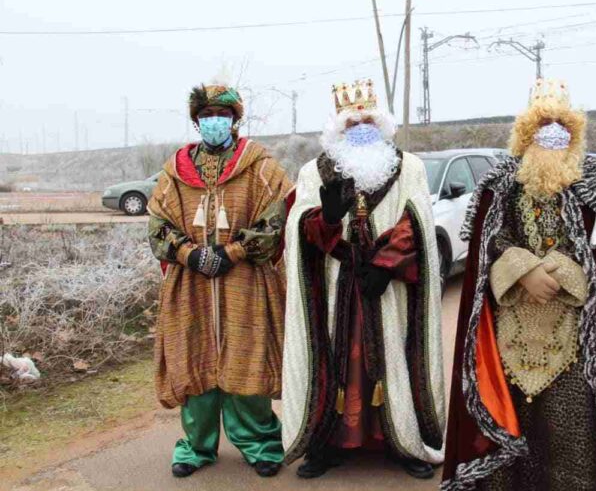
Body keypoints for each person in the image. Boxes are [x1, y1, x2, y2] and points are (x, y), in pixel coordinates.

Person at [441, 79, 596, 490]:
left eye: (561, 127)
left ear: (573, 133)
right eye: (543, 126)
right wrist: (524, 270)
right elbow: (490, 241)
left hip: (573, 332)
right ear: (527, 133)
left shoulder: (595, 182)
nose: (552, 134)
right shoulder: (501, 182)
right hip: (511, 329)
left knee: (568, 427)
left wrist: (557, 271)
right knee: (515, 421)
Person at [281, 79, 445, 479]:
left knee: (393, 354)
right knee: (333, 357)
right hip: (337, 286)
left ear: (384, 124)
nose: (361, 130)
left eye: (368, 121)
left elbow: (418, 221)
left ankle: (403, 441)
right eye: (352, 125)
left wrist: (386, 264)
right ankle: (326, 444)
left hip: (386, 287)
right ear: (337, 131)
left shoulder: (410, 168)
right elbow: (300, 229)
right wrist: (328, 219)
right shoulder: (312, 173)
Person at [147, 82, 293, 479]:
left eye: (223, 116)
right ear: (197, 121)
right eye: (207, 116)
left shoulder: (261, 167)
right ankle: (196, 447)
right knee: (193, 361)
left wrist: (233, 253)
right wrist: (188, 253)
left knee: (248, 358)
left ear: (235, 120)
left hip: (245, 282)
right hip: (189, 285)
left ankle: (261, 442)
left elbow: (276, 220)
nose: (215, 122)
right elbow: (158, 225)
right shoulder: (174, 172)